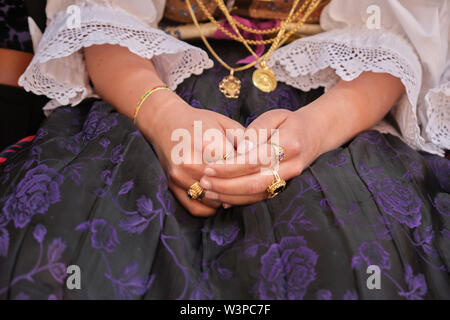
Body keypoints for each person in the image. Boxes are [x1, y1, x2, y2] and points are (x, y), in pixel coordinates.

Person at [0, 0, 449, 299]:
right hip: (149, 87)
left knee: (346, 256)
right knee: (71, 249)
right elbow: (103, 15)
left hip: (332, 100)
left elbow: (396, 38)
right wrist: (164, 117)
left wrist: (315, 131)